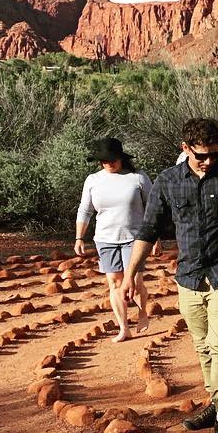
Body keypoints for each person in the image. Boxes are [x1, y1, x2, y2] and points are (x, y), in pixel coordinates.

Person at [123, 117, 218, 433]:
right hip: (189, 276)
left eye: (216, 153)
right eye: (203, 155)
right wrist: (131, 274)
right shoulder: (168, 181)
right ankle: (215, 404)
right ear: (185, 149)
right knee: (202, 347)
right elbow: (149, 229)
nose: (210, 161)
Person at [74, 137, 152, 342]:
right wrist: (79, 237)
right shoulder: (93, 180)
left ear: (121, 158)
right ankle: (123, 328)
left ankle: (143, 312)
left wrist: (155, 238)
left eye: (113, 159)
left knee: (134, 280)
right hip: (105, 238)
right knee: (115, 283)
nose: (109, 163)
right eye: (104, 160)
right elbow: (85, 210)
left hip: (136, 238)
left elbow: (152, 210)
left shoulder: (138, 177)